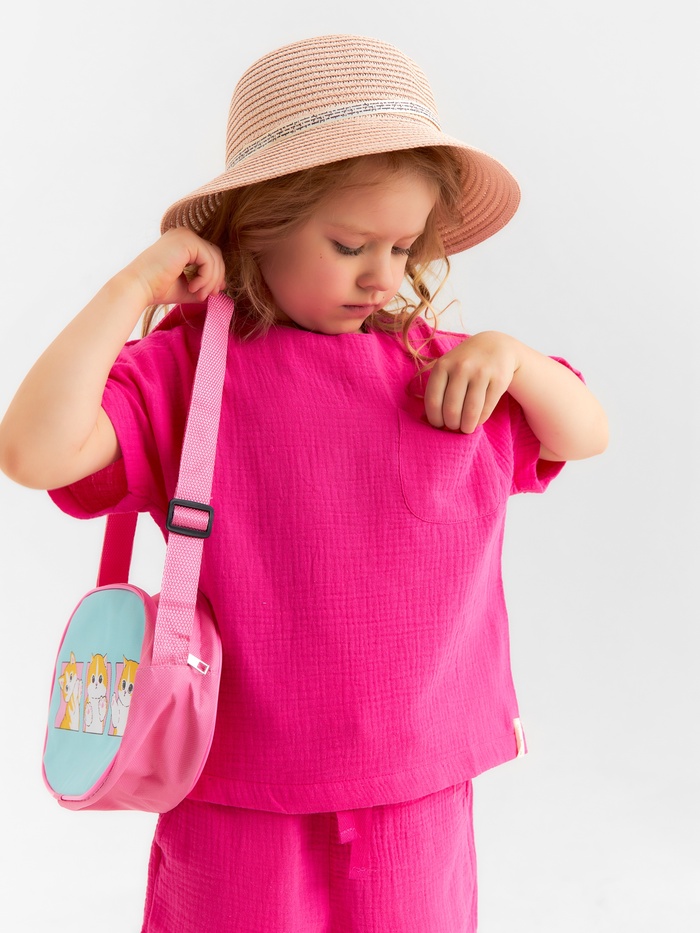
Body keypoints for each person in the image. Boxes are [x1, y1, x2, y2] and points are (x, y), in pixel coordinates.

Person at [0, 33, 607, 933]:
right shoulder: (189, 372)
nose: (384, 274)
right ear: (256, 225)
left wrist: (514, 358)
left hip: (415, 792)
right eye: (350, 243)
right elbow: (33, 450)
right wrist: (134, 286)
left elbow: (583, 433)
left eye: (405, 246)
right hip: (239, 788)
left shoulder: (442, 371)